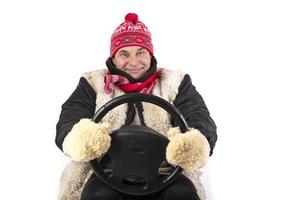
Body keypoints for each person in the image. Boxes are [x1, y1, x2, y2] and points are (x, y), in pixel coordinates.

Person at [56, 13, 217, 200]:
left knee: (181, 195)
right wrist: (80, 138)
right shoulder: (92, 84)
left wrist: (196, 140)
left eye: (140, 52)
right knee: (98, 197)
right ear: (113, 58)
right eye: (124, 54)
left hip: (165, 174)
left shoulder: (176, 83)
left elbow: (198, 117)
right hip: (105, 174)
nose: (133, 62)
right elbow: (68, 122)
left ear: (150, 54)